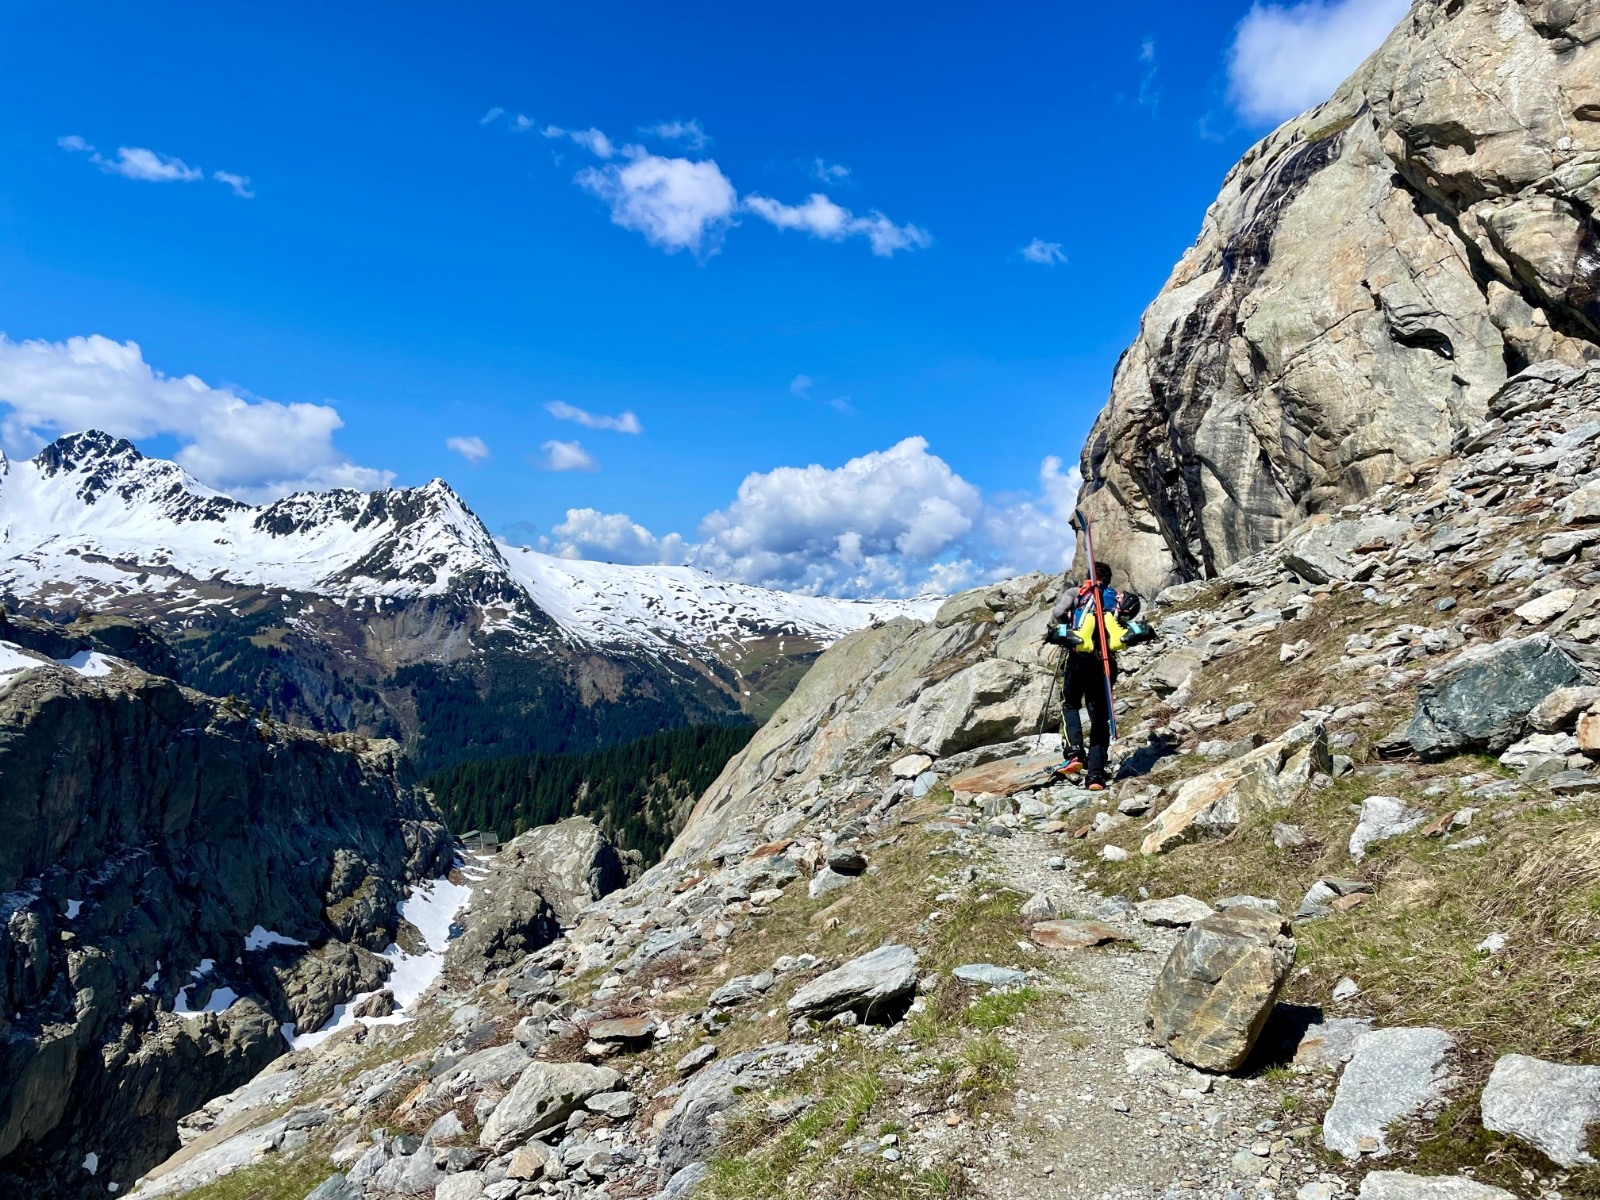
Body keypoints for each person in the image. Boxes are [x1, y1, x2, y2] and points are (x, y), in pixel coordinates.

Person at [1049, 562, 1122, 791]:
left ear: (1089, 577)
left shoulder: (1076, 592)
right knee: (1100, 718)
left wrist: (1069, 621)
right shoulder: (1115, 598)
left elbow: (1058, 613)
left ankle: (1075, 753)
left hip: (1079, 658)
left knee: (1069, 703)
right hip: (1106, 662)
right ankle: (1096, 777)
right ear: (1108, 579)